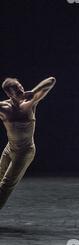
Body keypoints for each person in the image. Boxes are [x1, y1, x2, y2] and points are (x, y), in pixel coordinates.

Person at [0, 76, 56, 209]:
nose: (20, 90)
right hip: (10, 149)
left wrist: (33, 90)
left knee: (6, 184)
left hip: (25, 152)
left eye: (20, 86)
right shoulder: (4, 108)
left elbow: (51, 81)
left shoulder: (29, 103)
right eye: (16, 89)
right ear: (9, 93)